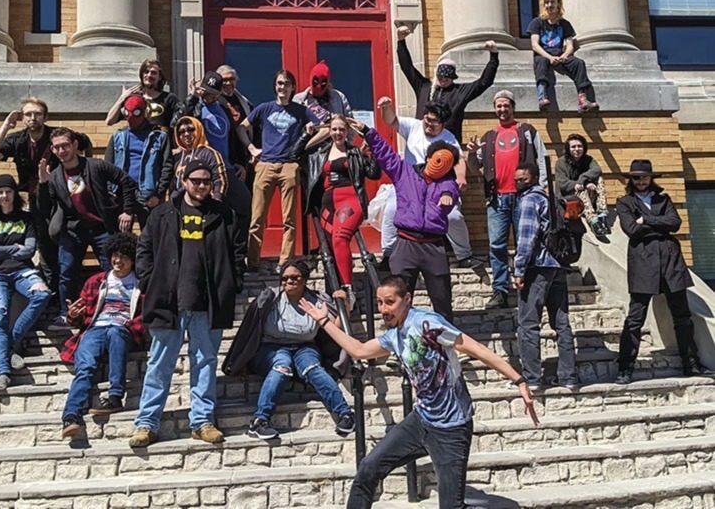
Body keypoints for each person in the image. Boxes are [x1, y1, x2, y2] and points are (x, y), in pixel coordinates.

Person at [297, 275, 538, 509]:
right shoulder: (394, 336)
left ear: (408, 299)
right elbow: (359, 350)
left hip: (452, 428)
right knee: (368, 470)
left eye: (390, 302)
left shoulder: (428, 324)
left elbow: (474, 348)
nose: (383, 309)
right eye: (380, 302)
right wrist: (324, 321)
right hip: (421, 421)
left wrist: (518, 379)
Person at [129, 160, 245, 447]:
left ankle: (203, 421)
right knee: (159, 363)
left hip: (208, 303)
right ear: (184, 180)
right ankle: (146, 423)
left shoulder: (225, 215)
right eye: (196, 180)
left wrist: (233, 283)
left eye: (206, 181)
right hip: (168, 302)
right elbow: (144, 249)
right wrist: (148, 281)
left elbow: (237, 252)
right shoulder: (162, 214)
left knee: (205, 362)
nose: (202, 186)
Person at [223, 260, 354, 440]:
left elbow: (333, 330)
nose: (288, 282)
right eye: (284, 278)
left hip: (305, 347)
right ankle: (260, 421)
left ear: (305, 279)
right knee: (282, 366)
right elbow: (250, 329)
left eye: (294, 278)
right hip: (271, 347)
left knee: (313, 368)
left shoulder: (317, 301)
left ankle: (345, 414)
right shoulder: (270, 299)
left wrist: (344, 307)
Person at [352, 117, 459, 321]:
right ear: (428, 158)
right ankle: (397, 341)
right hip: (406, 244)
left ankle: (446, 345)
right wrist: (368, 132)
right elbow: (386, 154)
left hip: (433, 246)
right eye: (437, 160)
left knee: (442, 299)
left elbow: (450, 191)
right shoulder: (405, 173)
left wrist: (449, 197)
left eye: (446, 164)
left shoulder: (447, 183)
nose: (440, 167)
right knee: (396, 299)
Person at [0, 97, 93, 292]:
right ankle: (52, 290)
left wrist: (83, 174)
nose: (32, 118)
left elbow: (85, 142)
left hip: (62, 195)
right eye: (28, 114)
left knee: (63, 236)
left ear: (45, 117)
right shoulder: (18, 139)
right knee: (45, 242)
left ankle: (71, 289)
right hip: (36, 197)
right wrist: (5, 127)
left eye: (37, 114)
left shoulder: (56, 135)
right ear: (23, 117)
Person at [615, 160, 704, 384]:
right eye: (636, 177)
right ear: (631, 180)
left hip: (670, 262)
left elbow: (675, 223)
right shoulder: (625, 202)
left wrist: (647, 220)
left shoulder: (663, 199)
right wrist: (657, 224)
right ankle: (625, 367)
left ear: (651, 178)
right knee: (635, 319)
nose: (641, 181)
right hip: (643, 263)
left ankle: (690, 362)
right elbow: (631, 230)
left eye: (644, 177)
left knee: (682, 316)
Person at [37, 128, 136, 329]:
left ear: (74, 145)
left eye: (65, 145)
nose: (61, 150)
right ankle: (66, 315)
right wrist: (42, 184)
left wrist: (127, 211)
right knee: (67, 272)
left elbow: (126, 181)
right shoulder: (55, 176)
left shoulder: (96, 166)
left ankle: (118, 310)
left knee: (113, 269)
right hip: (74, 230)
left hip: (103, 227)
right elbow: (45, 208)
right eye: (56, 147)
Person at [60, 232, 146, 439]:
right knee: (85, 366)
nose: (118, 261)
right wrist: (72, 316)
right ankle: (71, 416)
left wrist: (130, 325)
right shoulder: (96, 281)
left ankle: (115, 396)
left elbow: (147, 317)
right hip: (95, 328)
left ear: (132, 259)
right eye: (115, 256)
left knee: (116, 333)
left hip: (122, 328)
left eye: (124, 257)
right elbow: (78, 318)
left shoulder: (141, 283)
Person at [467, 90, 547, 309]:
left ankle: (528, 286)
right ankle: (500, 291)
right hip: (497, 199)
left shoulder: (527, 131)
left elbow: (542, 158)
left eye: (506, 105)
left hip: (525, 198)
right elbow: (475, 167)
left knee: (528, 242)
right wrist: (473, 154)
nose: (502, 109)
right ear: (494, 109)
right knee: (496, 245)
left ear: (513, 107)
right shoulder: (489, 137)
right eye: (498, 106)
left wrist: (543, 187)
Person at [377, 97, 477, 269]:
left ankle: (464, 255)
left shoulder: (448, 138)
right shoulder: (414, 126)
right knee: (392, 208)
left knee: (453, 216)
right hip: (409, 183)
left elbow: (459, 159)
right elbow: (392, 121)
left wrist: (461, 177)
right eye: (427, 120)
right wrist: (386, 107)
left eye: (434, 122)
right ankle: (388, 254)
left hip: (437, 186)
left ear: (443, 124)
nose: (429, 125)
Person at [0, 174, 51, 392]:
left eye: (8, 191)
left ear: (14, 194)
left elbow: (29, 249)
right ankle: (3, 374)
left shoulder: (26, 219)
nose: (4, 196)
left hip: (22, 271)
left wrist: (0, 249)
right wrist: (13, 249)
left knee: (42, 294)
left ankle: (8, 347)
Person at [238, 70, 319, 273]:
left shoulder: (300, 111)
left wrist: (306, 142)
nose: (282, 87)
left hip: (289, 166)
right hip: (265, 164)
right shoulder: (265, 108)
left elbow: (322, 126)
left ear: (293, 87)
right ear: (275, 86)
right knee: (257, 216)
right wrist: (251, 148)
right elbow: (241, 127)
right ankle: (253, 261)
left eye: (286, 84)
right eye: (279, 83)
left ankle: (285, 261)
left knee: (289, 218)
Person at [292, 115, 380, 289]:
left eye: (341, 129)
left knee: (340, 238)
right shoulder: (320, 153)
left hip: (350, 199)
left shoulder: (354, 152)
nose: (338, 133)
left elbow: (374, 174)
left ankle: (347, 290)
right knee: (332, 246)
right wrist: (306, 134)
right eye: (334, 129)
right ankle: (335, 292)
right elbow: (294, 154)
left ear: (347, 131)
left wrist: (371, 145)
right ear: (329, 131)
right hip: (327, 204)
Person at [512, 164, 577, 390]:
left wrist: (519, 269)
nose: (519, 183)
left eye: (523, 179)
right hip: (558, 265)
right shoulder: (551, 199)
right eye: (516, 179)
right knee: (561, 323)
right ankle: (568, 376)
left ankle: (532, 378)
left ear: (534, 178)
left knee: (528, 324)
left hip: (537, 267)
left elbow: (527, 237)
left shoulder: (530, 200)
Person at [180, 71, 252, 247]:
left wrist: (241, 162)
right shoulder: (196, 107)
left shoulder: (224, 110)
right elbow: (180, 123)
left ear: (220, 93)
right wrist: (192, 98)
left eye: (213, 93)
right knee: (206, 211)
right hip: (204, 168)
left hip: (227, 168)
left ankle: (237, 254)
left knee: (243, 204)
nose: (208, 96)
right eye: (205, 91)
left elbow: (232, 137)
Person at [396, 25, 499, 143]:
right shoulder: (424, 87)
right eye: (440, 77)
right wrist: (401, 41)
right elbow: (407, 67)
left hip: (448, 145)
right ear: (436, 75)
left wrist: (493, 56)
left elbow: (484, 82)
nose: (443, 80)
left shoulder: (460, 92)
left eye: (447, 77)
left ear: (453, 77)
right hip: (422, 143)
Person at [104, 94, 173, 228]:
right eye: (128, 116)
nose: (131, 121)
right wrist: (110, 194)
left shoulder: (160, 137)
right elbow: (108, 166)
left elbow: (167, 167)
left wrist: (158, 194)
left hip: (148, 193)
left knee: (150, 238)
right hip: (121, 192)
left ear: (145, 113)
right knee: (121, 239)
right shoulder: (118, 136)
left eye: (136, 116)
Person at [527, 0, 599, 112]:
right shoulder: (537, 22)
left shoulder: (565, 24)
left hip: (560, 54)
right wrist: (549, 57)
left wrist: (564, 56)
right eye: (547, 2)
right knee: (541, 62)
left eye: (552, 2)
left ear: (558, 3)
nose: (549, 5)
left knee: (578, 63)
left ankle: (583, 100)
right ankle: (542, 97)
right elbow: (535, 45)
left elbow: (570, 46)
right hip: (544, 54)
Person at [555, 133, 609, 236]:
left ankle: (602, 214)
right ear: (568, 148)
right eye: (573, 147)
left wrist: (584, 180)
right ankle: (593, 220)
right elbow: (562, 183)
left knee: (599, 179)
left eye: (580, 146)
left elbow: (597, 170)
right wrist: (580, 184)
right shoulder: (561, 162)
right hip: (568, 198)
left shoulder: (588, 159)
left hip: (587, 196)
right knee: (580, 189)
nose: (577, 149)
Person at [106, 59, 181, 131]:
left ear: (160, 77)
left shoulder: (169, 99)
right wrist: (122, 99)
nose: (149, 75)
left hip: (160, 142)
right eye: (146, 72)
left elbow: (181, 121)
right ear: (141, 75)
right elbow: (110, 121)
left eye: (153, 73)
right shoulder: (134, 99)